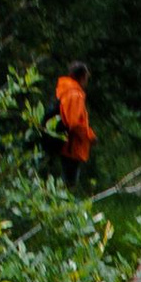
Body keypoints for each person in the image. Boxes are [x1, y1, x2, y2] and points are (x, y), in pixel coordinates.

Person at [51, 58, 96, 187]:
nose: (87, 80)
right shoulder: (75, 95)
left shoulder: (64, 91)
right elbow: (75, 123)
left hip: (66, 145)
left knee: (66, 180)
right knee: (69, 183)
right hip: (72, 147)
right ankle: (62, 206)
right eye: (86, 76)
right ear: (82, 77)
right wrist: (90, 136)